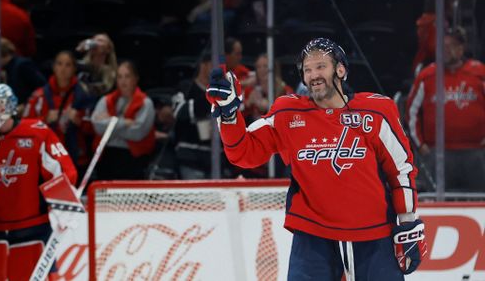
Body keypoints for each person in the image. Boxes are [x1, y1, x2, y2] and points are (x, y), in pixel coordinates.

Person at [208, 38, 426, 279]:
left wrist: (407, 221)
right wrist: (229, 115)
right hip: (313, 238)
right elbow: (243, 152)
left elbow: (401, 170)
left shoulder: (377, 111)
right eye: (308, 70)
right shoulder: (287, 112)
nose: (313, 75)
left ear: (340, 69)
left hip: (373, 235)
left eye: (320, 66)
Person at [0, 81, 77, 281]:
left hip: (32, 229)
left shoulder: (37, 133)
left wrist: (62, 205)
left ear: (9, 105)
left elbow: (63, 170)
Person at [405, 27, 485, 191]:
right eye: (442, 47)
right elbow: (411, 112)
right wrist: (420, 145)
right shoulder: (427, 75)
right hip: (437, 153)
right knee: (435, 199)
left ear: (461, 49)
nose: (445, 51)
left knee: (478, 199)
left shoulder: (479, 73)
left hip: (475, 153)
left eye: (450, 46)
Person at [25, 50, 94, 177]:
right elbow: (24, 127)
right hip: (46, 159)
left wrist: (80, 121)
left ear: (74, 69)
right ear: (54, 67)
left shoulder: (83, 95)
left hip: (76, 158)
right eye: (60, 64)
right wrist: (44, 119)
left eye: (68, 65)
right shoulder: (39, 96)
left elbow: (93, 129)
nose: (63, 69)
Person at [91, 61, 156, 180]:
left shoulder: (146, 103)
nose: (123, 81)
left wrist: (109, 124)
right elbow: (97, 127)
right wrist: (124, 123)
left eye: (127, 76)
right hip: (107, 156)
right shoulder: (105, 100)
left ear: (136, 78)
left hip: (133, 159)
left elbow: (137, 133)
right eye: (119, 76)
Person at [75, 33, 118, 98]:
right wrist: (78, 50)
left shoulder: (111, 72)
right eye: (93, 40)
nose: (95, 42)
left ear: (108, 49)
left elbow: (106, 90)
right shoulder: (82, 66)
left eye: (100, 40)